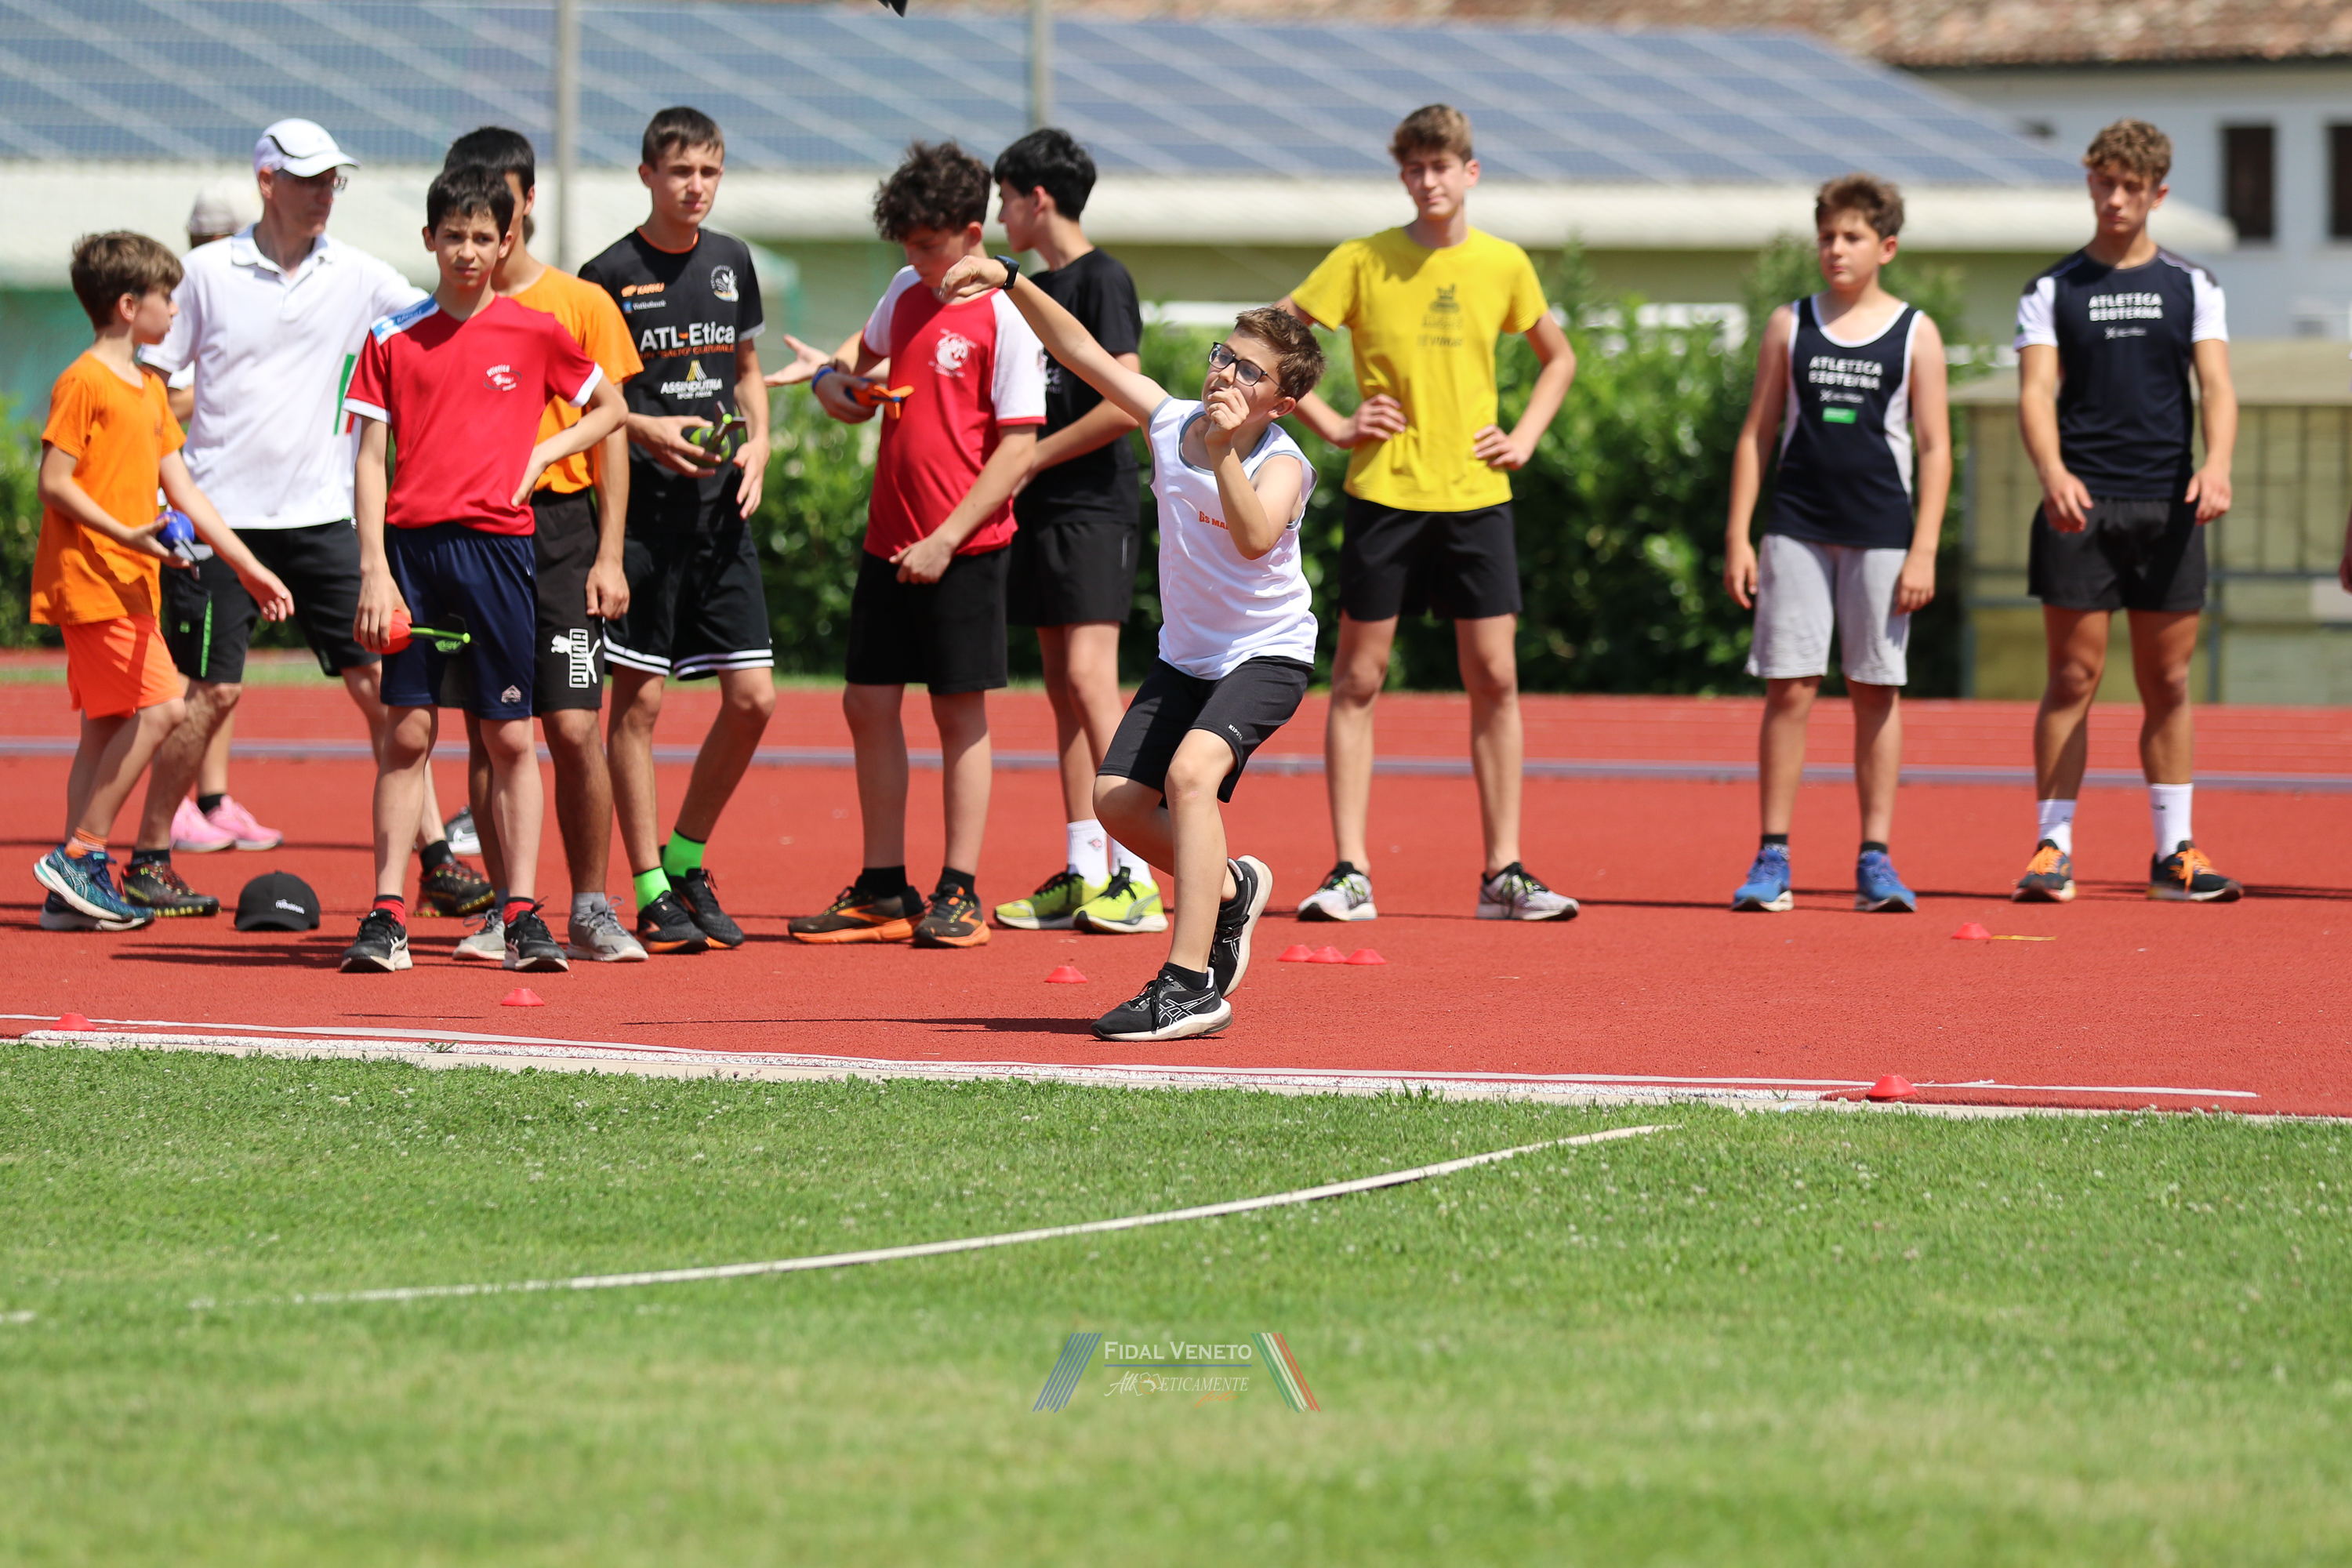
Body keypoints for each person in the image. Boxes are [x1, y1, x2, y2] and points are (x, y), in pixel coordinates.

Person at [942, 252, 1322, 1039]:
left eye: (1249, 371)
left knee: (1190, 776)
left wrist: (1224, 451)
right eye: (1224, 355)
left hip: (1268, 653)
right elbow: (1080, 350)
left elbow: (1255, 538)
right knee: (1115, 800)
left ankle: (1188, 986)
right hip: (1187, 657)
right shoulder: (1169, 419)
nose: (1226, 374)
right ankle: (1229, 887)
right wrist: (1011, 279)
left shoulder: (1282, 463)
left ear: (1280, 403)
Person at [134, 118, 493, 923]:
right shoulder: (205, 273)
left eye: (334, 179)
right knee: (211, 695)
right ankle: (150, 857)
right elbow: (151, 383)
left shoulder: (359, 275)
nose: (325, 193)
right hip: (218, 516)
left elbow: (449, 318)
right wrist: (158, 492)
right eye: (308, 179)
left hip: (324, 515)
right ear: (267, 182)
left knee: (384, 687)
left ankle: (435, 860)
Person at [1277, 103, 1579, 925]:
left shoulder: (1504, 263)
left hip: (1477, 496)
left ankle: (1503, 872)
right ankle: (1350, 871)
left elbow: (1558, 358)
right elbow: (1274, 334)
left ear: (1469, 172)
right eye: (1413, 166)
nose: (1427, 180)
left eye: (1440, 165)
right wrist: (1334, 423)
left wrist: (1524, 436)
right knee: (1358, 679)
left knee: (1497, 678)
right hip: (1385, 493)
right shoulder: (1362, 259)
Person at [339, 165, 626, 975]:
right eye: (453, 235)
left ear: (506, 242)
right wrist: (373, 570)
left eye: (482, 237)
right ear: (429, 238)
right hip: (413, 557)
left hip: (502, 554)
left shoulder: (536, 331)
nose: (467, 250)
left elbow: (610, 408)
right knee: (408, 732)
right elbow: (368, 460)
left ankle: (523, 913)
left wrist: (544, 451)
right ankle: (387, 914)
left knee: (509, 734)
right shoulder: (390, 337)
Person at [769, 141, 1044, 949]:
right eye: (907, 246)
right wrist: (832, 382)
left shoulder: (1007, 318)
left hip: (964, 547)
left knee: (958, 712)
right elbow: (857, 371)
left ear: (971, 234)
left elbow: (1019, 451)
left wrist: (946, 540)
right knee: (866, 703)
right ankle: (884, 887)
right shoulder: (905, 289)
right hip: (889, 539)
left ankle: (960, 890)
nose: (917, 261)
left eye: (928, 245)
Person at [437, 127, 673, 964]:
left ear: (525, 204)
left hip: (563, 534)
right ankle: (509, 910)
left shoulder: (580, 304)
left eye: (496, 204)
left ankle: (592, 906)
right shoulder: (439, 318)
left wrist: (609, 553)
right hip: (472, 535)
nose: (481, 226)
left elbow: (611, 433)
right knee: (491, 731)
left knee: (574, 726)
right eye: (463, 210)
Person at [32, 232, 292, 931]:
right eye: (166, 298)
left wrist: (248, 566)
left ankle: (68, 892)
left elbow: (187, 493)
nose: (176, 310)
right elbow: (54, 481)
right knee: (167, 707)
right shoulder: (84, 381)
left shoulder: (149, 390)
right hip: (92, 581)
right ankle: (81, 856)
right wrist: (127, 534)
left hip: (132, 583)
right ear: (127, 305)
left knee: (104, 728)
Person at [2013, 119, 2241, 905]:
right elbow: (2035, 391)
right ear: (2090, 183)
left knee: (2169, 680)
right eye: (2104, 183)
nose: (2115, 198)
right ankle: (2052, 848)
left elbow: (2217, 385)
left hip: (2168, 506)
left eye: (2131, 187)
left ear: (2158, 194)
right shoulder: (2052, 288)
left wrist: (2218, 463)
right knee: (2072, 675)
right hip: (2080, 505)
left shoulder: (2193, 284)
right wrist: (2052, 472)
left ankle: (2174, 852)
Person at [1722, 174, 1951, 915]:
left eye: (1852, 237)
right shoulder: (1789, 324)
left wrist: (1925, 548)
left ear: (1887, 246)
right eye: (1826, 236)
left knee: (1874, 688)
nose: (1836, 249)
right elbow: (1757, 433)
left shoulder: (1916, 332)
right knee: (1789, 686)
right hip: (1796, 527)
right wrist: (1738, 535)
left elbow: (1936, 447)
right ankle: (1773, 855)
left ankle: (1875, 858)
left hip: (1882, 533)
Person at [579, 107, 774, 952]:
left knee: (754, 698)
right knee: (640, 703)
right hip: (643, 520)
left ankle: (686, 857)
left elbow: (747, 370)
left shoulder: (733, 260)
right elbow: (592, 406)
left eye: (710, 171)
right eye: (681, 171)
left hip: (722, 515)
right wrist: (648, 428)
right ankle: (650, 888)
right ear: (647, 176)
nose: (697, 186)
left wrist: (760, 442)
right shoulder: (606, 275)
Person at [981, 129, 1163, 938]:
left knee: (1091, 681)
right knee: (1061, 686)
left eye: (1005, 199)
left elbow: (1127, 400)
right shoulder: (1031, 289)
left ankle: (1138, 874)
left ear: (1037, 198)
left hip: (1093, 504)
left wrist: (1032, 457)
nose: (1000, 215)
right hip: (1044, 508)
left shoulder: (1102, 277)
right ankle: (1086, 869)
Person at [156, 176, 273, 861]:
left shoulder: (249, 296)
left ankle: (212, 798)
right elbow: (156, 400)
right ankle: (173, 807)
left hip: (235, 507)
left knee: (224, 672)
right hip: (185, 509)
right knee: (191, 673)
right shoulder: (180, 299)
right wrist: (223, 389)